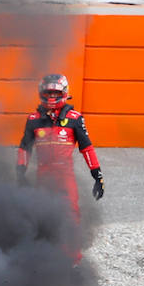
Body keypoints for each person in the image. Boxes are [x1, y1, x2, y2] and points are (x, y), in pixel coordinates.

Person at [16, 73, 104, 223]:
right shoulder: (33, 120)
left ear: (64, 93)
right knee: (41, 214)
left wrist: (97, 176)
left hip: (65, 174)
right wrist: (20, 172)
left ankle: (71, 245)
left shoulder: (75, 118)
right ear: (41, 93)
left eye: (56, 92)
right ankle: (44, 245)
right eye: (48, 92)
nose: (52, 96)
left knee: (71, 212)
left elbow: (87, 148)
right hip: (43, 174)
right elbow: (25, 148)